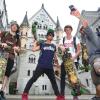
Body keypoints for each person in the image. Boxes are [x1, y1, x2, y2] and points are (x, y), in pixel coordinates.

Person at [22, 29, 61, 100]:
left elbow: (55, 57)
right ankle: (25, 94)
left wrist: (57, 64)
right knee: (33, 79)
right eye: (49, 35)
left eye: (52, 35)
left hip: (49, 67)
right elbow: (34, 49)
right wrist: (35, 43)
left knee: (53, 81)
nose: (51, 36)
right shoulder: (42, 44)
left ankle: (58, 96)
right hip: (41, 66)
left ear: (53, 37)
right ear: (46, 36)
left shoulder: (54, 46)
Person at [71, 8, 100, 100]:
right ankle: (97, 96)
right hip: (92, 61)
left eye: (84, 29)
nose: (83, 30)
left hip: (97, 59)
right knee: (97, 82)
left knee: (97, 65)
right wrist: (82, 34)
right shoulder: (88, 39)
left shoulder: (93, 35)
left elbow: (86, 25)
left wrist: (79, 16)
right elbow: (83, 42)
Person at [59, 25, 81, 100]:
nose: (68, 31)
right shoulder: (63, 39)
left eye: (69, 29)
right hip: (65, 61)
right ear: (65, 31)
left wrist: (74, 57)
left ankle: (75, 95)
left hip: (73, 61)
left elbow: (79, 50)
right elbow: (60, 46)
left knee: (73, 78)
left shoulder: (75, 38)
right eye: (66, 30)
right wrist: (62, 47)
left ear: (71, 30)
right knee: (62, 78)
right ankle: (62, 95)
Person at [0, 21, 20, 99]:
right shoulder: (4, 33)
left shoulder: (17, 38)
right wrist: (2, 44)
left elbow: (19, 49)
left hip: (11, 57)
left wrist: (17, 49)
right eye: (13, 25)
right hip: (3, 55)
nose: (14, 26)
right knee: (0, 73)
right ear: (11, 26)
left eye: (16, 26)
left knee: (7, 75)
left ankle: (2, 91)